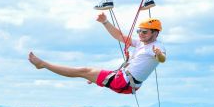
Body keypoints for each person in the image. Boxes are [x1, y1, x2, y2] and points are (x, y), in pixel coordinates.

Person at [28, 13, 166, 94]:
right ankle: (94, 78)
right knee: (87, 72)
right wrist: (105, 22)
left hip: (123, 82)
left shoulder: (156, 47)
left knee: (83, 71)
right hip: (125, 81)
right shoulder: (142, 43)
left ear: (155, 33)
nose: (141, 34)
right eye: (139, 31)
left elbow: (161, 59)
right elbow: (120, 37)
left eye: (144, 32)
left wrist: (158, 54)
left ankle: (43, 64)